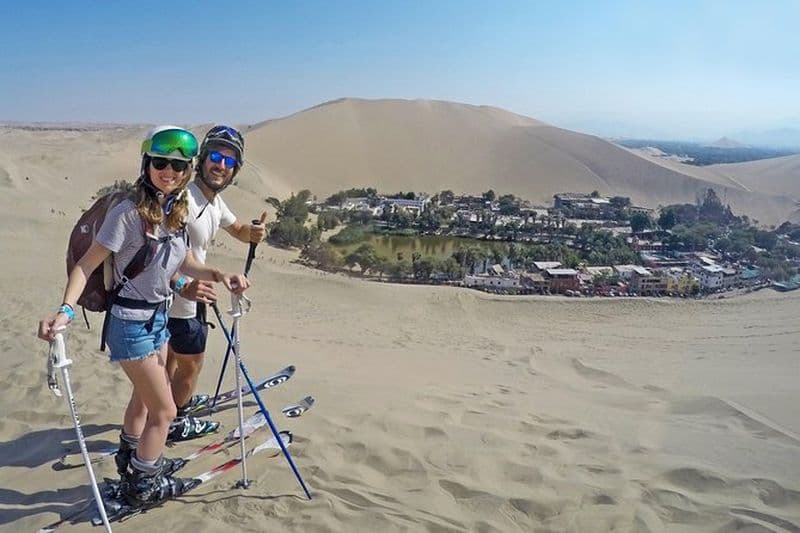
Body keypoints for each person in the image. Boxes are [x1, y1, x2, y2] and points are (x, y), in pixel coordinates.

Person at [38, 126, 250, 507]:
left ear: (188, 169)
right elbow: (87, 266)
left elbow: (181, 261)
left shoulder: (177, 209)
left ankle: (131, 459)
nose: (168, 171)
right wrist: (65, 311)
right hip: (130, 325)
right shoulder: (127, 213)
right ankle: (143, 485)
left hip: (158, 320)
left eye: (178, 165)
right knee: (165, 410)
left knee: (143, 398)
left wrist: (219, 274)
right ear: (147, 164)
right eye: (160, 163)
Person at [165, 125, 266, 441]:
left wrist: (254, 233)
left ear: (236, 169)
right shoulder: (184, 200)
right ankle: (176, 421)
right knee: (191, 367)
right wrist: (182, 283)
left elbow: (237, 229)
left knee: (171, 362)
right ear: (202, 158)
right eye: (215, 156)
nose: (220, 165)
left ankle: (165, 409)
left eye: (228, 160)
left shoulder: (213, 202)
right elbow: (158, 253)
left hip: (191, 298)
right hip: (177, 299)